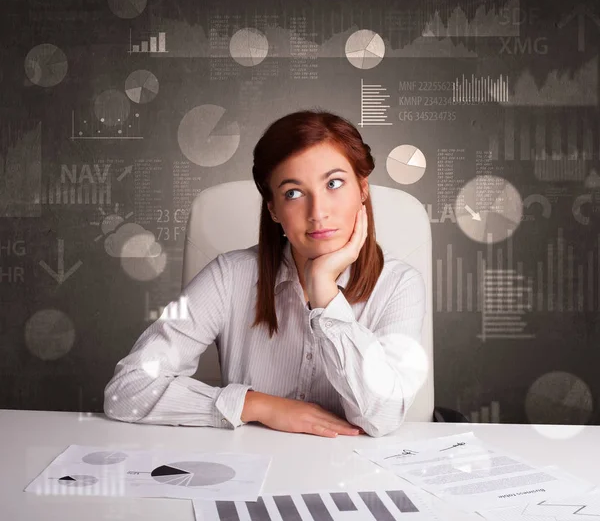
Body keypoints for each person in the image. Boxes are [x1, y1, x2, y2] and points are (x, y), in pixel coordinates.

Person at [104, 109, 427, 438]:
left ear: (362, 189)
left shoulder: (400, 285)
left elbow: (382, 418)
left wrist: (325, 293)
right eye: (293, 193)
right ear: (273, 208)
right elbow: (126, 391)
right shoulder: (228, 277)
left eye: (334, 183)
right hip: (248, 469)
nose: (318, 213)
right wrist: (261, 406)